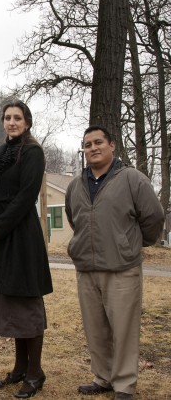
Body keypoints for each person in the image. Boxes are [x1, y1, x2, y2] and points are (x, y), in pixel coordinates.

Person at [65, 125, 164, 400]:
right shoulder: (75, 185)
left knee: (123, 329)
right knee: (95, 329)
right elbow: (74, 218)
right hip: (87, 269)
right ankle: (103, 377)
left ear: (112, 146)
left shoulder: (133, 179)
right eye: (87, 145)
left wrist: (131, 243)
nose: (93, 148)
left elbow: (153, 217)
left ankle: (123, 385)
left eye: (98, 142)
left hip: (122, 268)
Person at [0, 100, 52, 399]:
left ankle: (35, 373)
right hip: (1, 234)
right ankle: (20, 368)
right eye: (7, 118)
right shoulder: (5, 152)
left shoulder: (33, 152)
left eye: (17, 118)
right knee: (11, 300)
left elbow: (24, 199)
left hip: (20, 235)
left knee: (26, 303)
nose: (11, 122)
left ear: (28, 122)